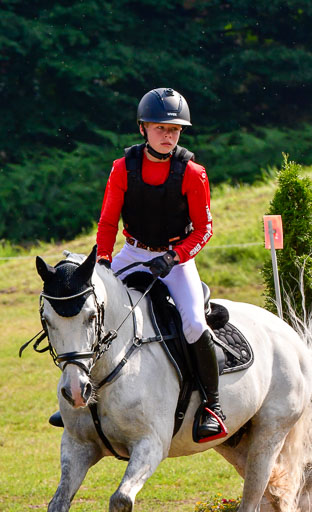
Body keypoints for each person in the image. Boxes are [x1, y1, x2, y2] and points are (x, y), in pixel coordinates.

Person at [96, 87, 227, 443]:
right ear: (143, 129)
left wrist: (174, 257)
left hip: (176, 258)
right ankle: (80, 399)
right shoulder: (122, 168)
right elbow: (108, 221)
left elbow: (204, 229)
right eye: (160, 128)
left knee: (195, 325)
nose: (167, 136)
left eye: (174, 130)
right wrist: (104, 260)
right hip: (133, 251)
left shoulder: (193, 173)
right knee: (93, 306)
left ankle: (213, 405)